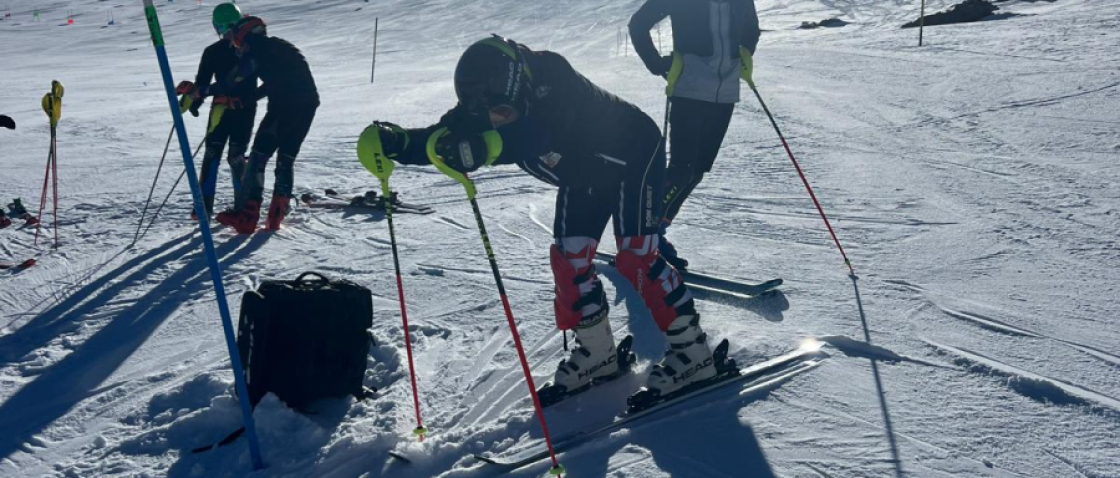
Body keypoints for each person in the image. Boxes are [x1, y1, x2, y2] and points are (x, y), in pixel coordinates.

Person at [360, 36, 721, 399]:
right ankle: (598, 352)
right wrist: (400, 143)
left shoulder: (555, 77)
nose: (495, 122)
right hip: (584, 172)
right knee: (569, 260)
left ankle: (693, 352)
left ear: (521, 89)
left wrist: (484, 148)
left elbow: (540, 136)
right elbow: (445, 138)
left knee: (637, 257)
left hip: (635, 155)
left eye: (503, 112)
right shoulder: (489, 102)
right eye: (488, 116)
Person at [629, 0, 760, 270]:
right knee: (681, 169)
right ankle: (643, 234)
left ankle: (658, 230)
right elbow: (639, 24)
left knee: (698, 170)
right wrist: (655, 63)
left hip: (725, 94)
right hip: (689, 88)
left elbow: (752, 29)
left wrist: (744, 56)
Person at [185, 16, 319, 233]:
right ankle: (276, 216)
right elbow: (271, 83)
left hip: (283, 107)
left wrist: (201, 91)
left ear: (246, 35)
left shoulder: (258, 50)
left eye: (239, 42)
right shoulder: (279, 47)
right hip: (308, 106)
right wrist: (246, 100)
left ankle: (246, 216)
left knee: (258, 157)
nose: (239, 48)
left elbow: (231, 80)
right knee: (286, 158)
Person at [176, 3, 258, 220]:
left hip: (243, 110)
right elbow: (202, 82)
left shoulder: (250, 50)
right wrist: (191, 103)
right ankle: (204, 206)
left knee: (235, 157)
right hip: (220, 111)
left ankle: (242, 206)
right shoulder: (213, 52)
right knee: (213, 154)